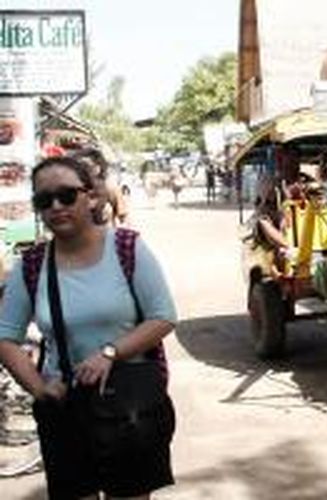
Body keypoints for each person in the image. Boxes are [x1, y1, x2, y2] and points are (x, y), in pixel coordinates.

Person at [0, 156, 177, 498]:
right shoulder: (32, 265)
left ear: (91, 197)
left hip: (129, 406)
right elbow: (5, 338)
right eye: (44, 200)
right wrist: (39, 388)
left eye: (66, 195)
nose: (56, 206)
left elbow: (163, 316)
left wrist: (110, 352)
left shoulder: (127, 247)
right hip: (65, 409)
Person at [70, 147, 130, 227]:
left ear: (98, 168)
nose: (82, 170)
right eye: (78, 166)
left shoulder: (109, 187)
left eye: (86, 166)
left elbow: (124, 218)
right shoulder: (71, 189)